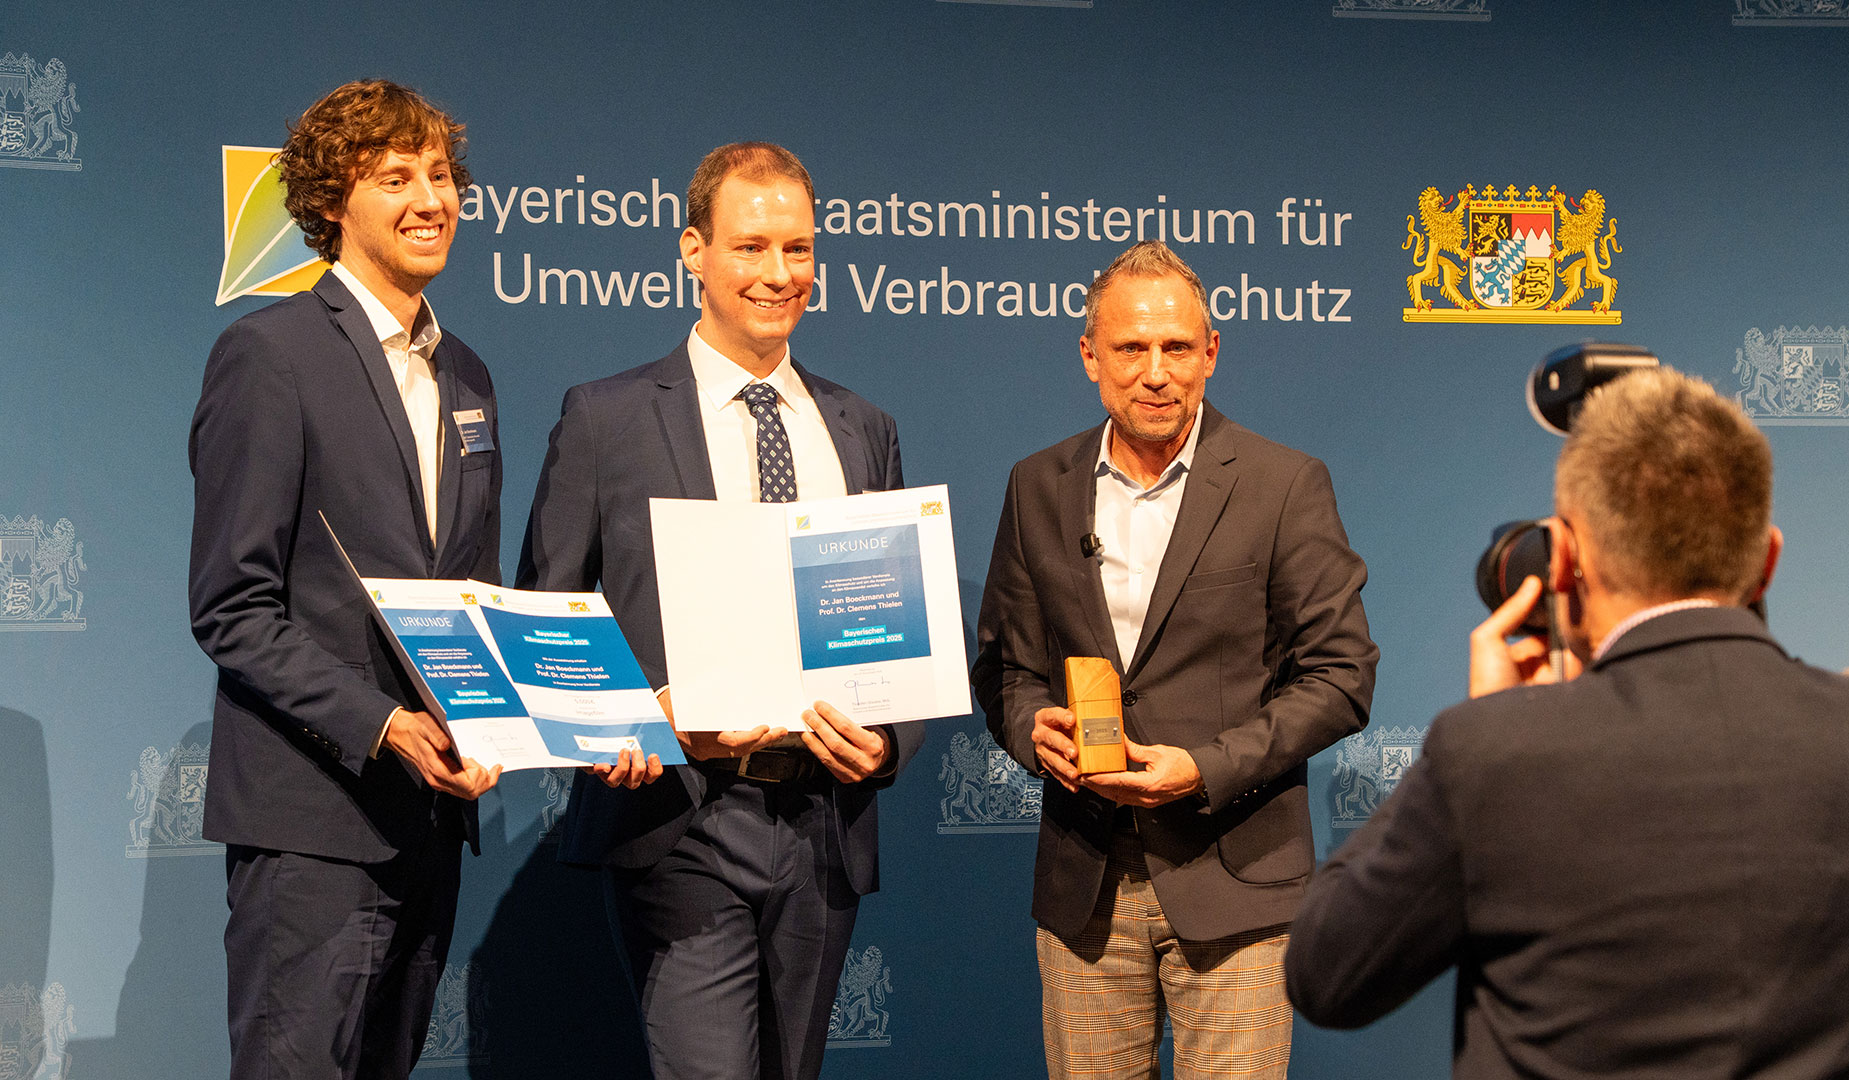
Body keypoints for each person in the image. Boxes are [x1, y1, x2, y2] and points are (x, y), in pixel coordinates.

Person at [1286, 367, 1849, 1078]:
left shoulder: (1492, 752)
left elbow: (1326, 976)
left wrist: (1488, 725)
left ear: (1564, 557)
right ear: (1766, 561)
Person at [518, 141, 926, 1080]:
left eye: (798, 249)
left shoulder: (863, 427)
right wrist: (624, 721)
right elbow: (549, 614)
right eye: (750, 248)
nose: (778, 275)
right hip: (682, 818)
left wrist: (889, 740)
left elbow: (890, 634)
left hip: (823, 821)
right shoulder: (607, 416)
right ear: (693, 252)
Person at [972, 239, 1378, 1079]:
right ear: (1091, 356)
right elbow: (1004, 667)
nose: (1156, 372)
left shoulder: (1282, 483)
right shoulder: (1036, 485)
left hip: (1237, 880)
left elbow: (1341, 675)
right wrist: (1029, 730)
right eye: (1131, 349)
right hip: (1086, 886)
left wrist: (1204, 768)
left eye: (1177, 349)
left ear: (1210, 354)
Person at [187, 79, 503, 1080]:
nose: (430, 198)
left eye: (442, 175)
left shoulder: (470, 377)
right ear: (333, 203)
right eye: (396, 177)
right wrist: (385, 725)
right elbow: (233, 609)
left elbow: (470, 595)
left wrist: (502, 715)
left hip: (430, 824)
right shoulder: (268, 354)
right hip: (312, 828)